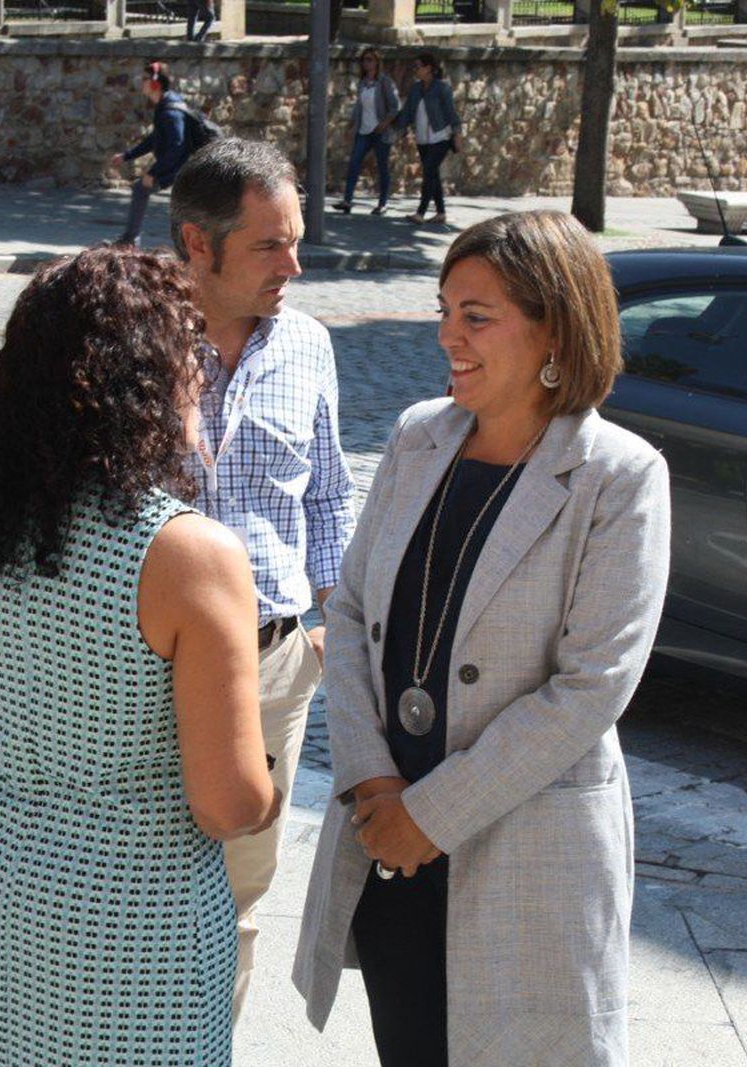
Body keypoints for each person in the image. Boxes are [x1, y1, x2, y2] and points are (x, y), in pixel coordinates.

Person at [293, 210, 671, 1067]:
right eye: (444, 310)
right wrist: (372, 779)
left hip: (523, 855)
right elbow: (349, 611)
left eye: (476, 316)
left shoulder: (618, 476)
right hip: (389, 841)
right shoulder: (417, 436)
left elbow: (593, 686)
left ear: (553, 330)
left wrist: (430, 816)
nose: (447, 336)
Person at [0, 247, 280, 1065]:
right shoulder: (188, 554)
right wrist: (267, 790)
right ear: (151, 381)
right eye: (190, 354)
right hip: (138, 917)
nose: (200, 375)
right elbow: (225, 802)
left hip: (0, 885)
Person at [168, 138, 358, 1021]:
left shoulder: (308, 344)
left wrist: (327, 624)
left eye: (296, 241)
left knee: (238, 895)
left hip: (276, 665)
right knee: (139, 882)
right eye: (269, 245)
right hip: (151, 667)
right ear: (197, 244)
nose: (294, 265)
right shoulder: (134, 340)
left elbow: (328, 492)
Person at [111, 62, 191, 248]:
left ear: (156, 83)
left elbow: (177, 146)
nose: (141, 82)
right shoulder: (165, 105)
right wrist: (127, 156)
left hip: (184, 165)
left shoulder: (170, 111)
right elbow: (155, 139)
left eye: (145, 79)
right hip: (180, 163)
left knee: (142, 189)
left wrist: (153, 173)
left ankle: (130, 241)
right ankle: (130, 240)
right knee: (144, 190)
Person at [391, 52, 461, 227]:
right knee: (433, 174)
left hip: (441, 137)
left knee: (429, 172)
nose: (415, 70)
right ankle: (440, 213)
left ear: (428, 68)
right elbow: (407, 112)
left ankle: (421, 213)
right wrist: (397, 127)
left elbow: (451, 113)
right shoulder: (416, 89)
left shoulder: (442, 88)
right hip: (423, 139)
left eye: (418, 67)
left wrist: (457, 134)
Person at [332, 48, 400, 217]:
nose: (366, 63)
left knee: (382, 166)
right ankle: (347, 201)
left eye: (370, 59)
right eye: (364, 60)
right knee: (354, 163)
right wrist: (352, 126)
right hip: (364, 130)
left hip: (380, 131)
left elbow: (395, 106)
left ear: (377, 62)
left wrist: (384, 124)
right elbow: (359, 107)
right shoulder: (362, 82)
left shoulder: (384, 82)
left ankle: (383, 203)